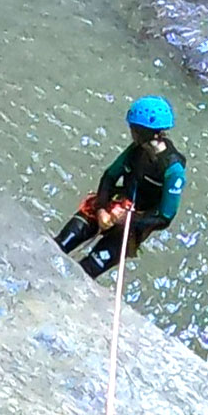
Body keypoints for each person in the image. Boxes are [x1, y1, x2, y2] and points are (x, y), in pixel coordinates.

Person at [55, 95, 186, 278]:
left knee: (87, 269)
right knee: (60, 244)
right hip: (114, 205)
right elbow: (109, 177)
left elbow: (165, 216)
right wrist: (101, 209)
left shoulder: (173, 170)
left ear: (142, 131)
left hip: (135, 223)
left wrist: (126, 220)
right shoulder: (136, 150)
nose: (131, 132)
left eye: (133, 129)